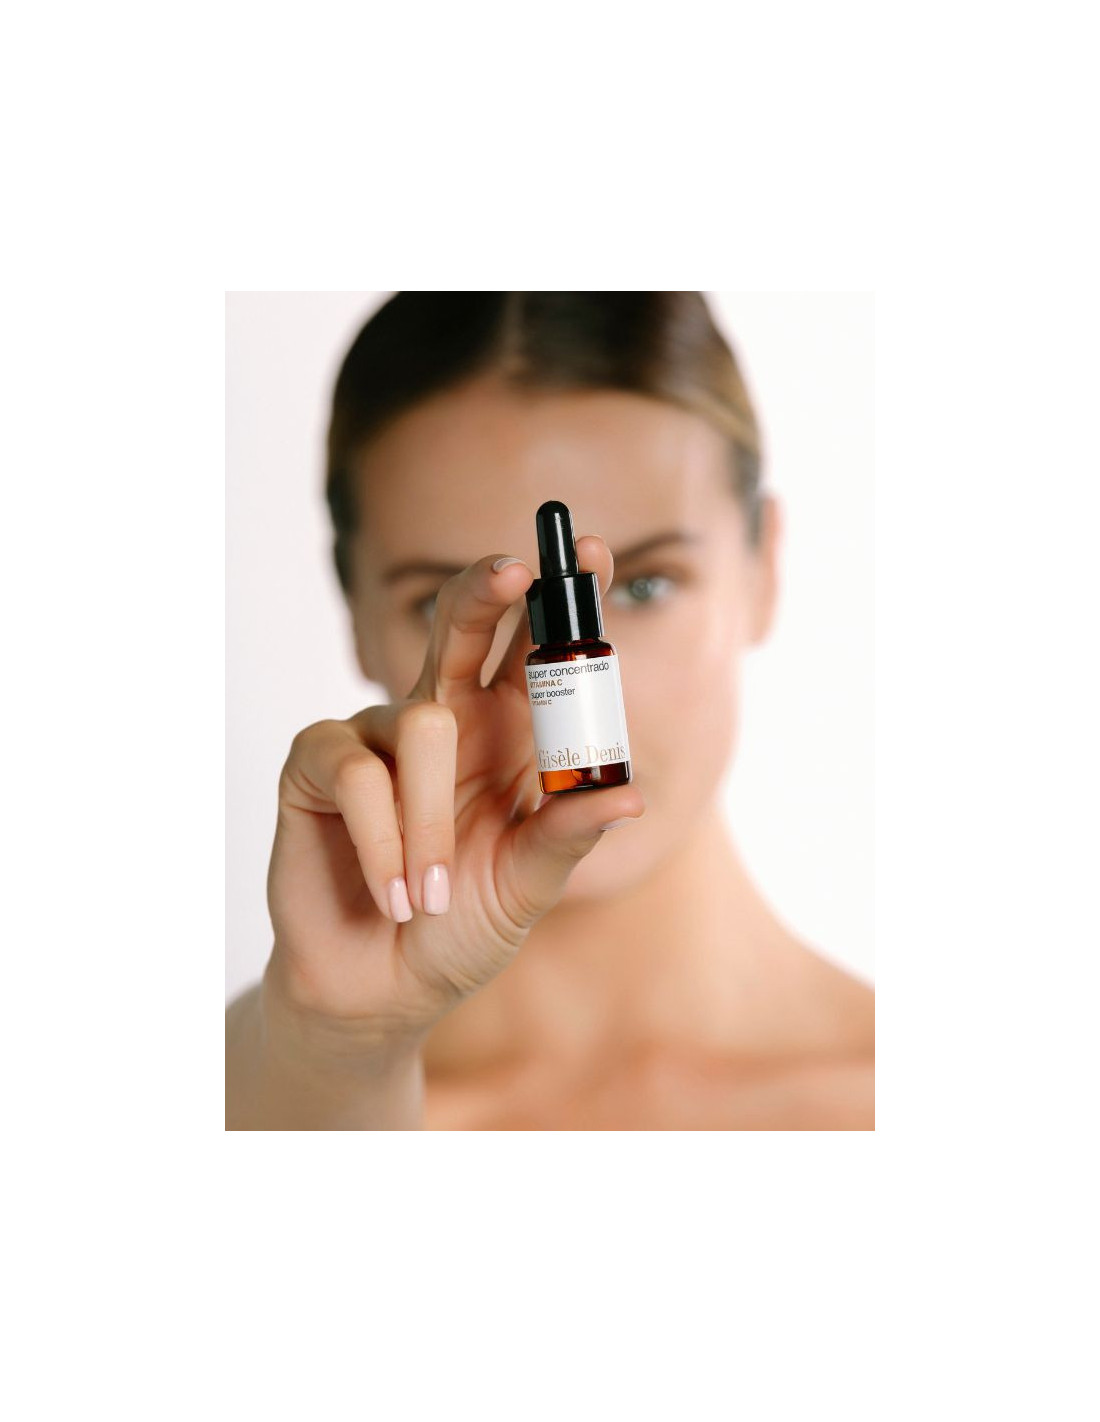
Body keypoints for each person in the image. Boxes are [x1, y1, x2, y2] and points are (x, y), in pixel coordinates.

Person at [225, 292, 874, 1130]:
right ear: (355, 616)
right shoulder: (275, 1096)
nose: (537, 687)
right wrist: (334, 1056)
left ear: (765, 569)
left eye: (645, 586)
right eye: (438, 603)